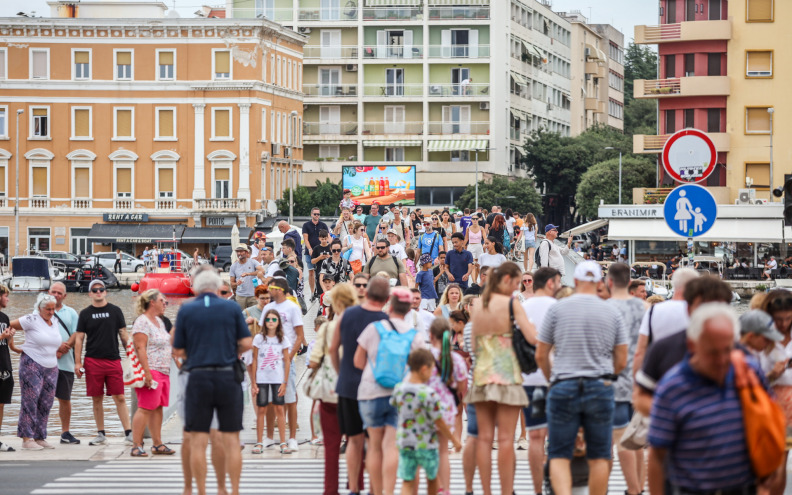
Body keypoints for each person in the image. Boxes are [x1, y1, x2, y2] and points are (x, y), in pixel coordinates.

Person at [648, 304, 764, 495]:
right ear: (692, 345)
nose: (722, 360)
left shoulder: (749, 372)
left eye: (728, 350)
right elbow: (657, 455)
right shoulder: (672, 388)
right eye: (713, 352)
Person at [536, 260, 628, 495]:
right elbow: (621, 359)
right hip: (599, 384)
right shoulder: (612, 311)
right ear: (599, 282)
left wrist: (552, 378)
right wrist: (609, 375)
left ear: (575, 281)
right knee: (599, 455)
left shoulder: (557, 309)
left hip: (563, 384)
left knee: (559, 453)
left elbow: (541, 354)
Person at [173, 269, 252, 495]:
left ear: (195, 287)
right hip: (227, 376)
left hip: (198, 376)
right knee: (231, 439)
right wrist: (228, 350)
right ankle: (231, 490)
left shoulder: (186, 309)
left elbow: (178, 349)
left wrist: (197, 353)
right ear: (218, 287)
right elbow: (247, 343)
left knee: (198, 440)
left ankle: (200, 490)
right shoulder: (231, 308)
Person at [467, 262, 537, 495]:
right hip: (507, 372)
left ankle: (486, 491)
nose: (517, 288)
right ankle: (506, 491)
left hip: (482, 374)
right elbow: (532, 337)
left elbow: (473, 345)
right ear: (507, 280)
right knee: (506, 439)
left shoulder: (479, 305)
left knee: (485, 439)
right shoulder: (511, 303)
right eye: (516, 283)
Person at [353, 287, 425, 495]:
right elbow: (421, 370)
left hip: (370, 391)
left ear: (390, 305)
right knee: (391, 446)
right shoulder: (414, 335)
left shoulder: (374, 328)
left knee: (374, 446)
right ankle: (390, 491)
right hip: (399, 395)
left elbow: (358, 361)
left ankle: (377, 491)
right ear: (409, 309)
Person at [330, 277, 389, 495]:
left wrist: (342, 373)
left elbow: (333, 348)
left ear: (367, 292)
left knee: (353, 441)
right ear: (386, 298)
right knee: (375, 443)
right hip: (376, 388)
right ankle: (374, 489)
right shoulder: (386, 320)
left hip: (349, 386)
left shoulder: (347, 315)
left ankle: (354, 488)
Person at [392, 348, 462, 495]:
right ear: (424, 369)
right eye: (431, 370)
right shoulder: (429, 394)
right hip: (427, 444)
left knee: (407, 481)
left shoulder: (399, 389)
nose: (432, 374)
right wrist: (454, 440)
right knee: (432, 479)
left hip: (406, 443)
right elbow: (439, 421)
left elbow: (394, 404)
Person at [309, 283, 358, 495]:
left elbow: (313, 361)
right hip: (355, 390)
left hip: (330, 391)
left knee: (331, 446)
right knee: (356, 441)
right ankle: (355, 485)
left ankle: (331, 489)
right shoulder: (361, 325)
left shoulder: (328, 328)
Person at [604, 263, 646, 495]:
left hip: (612, 381)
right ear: (630, 282)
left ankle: (606, 487)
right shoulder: (644, 307)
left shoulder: (605, 308)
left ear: (609, 282)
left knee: (609, 442)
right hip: (638, 380)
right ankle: (637, 487)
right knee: (636, 441)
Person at [74, 279, 132, 446]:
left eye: (101, 289)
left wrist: (131, 356)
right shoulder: (85, 313)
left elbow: (124, 335)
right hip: (93, 361)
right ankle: (101, 434)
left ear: (105, 292)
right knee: (97, 398)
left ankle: (128, 433)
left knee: (120, 397)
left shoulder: (115, 311)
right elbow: (79, 339)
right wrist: (78, 363)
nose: (98, 292)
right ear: (90, 294)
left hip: (113, 360)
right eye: (95, 290)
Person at [520, 267, 562, 495]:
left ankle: (538, 489)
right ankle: (555, 484)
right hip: (557, 378)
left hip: (530, 379)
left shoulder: (523, 308)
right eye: (558, 282)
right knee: (558, 435)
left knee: (535, 436)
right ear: (550, 283)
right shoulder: (558, 307)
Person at [7, 294, 61, 450]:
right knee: (30, 400)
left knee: (46, 402)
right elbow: (8, 325)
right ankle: (27, 438)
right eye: (48, 309)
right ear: (39, 308)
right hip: (32, 363)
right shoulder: (31, 319)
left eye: (53, 309)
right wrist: (13, 346)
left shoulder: (55, 321)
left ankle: (39, 436)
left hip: (51, 366)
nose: (51, 312)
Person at [258, 277, 305, 452]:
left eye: (271, 288)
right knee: (271, 400)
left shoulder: (292, 308)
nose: (268, 291)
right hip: (269, 360)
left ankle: (292, 438)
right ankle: (270, 436)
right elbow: (262, 331)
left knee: (289, 399)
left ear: (280, 289)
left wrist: (289, 357)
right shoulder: (268, 308)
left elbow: (299, 335)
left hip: (286, 359)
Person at [129, 289, 174, 457]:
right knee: (145, 408)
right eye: (162, 301)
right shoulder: (142, 322)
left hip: (163, 370)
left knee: (158, 407)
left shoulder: (159, 321)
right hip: (151, 369)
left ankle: (157, 443)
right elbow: (140, 347)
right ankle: (136, 444)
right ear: (152, 302)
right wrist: (146, 372)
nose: (165, 304)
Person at [426, 318, 468, 495]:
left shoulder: (423, 357)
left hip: (425, 408)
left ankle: (432, 489)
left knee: (428, 451)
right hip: (446, 409)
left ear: (430, 335)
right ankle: (444, 490)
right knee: (443, 451)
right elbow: (462, 386)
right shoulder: (455, 359)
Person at [632, 267, 699, 375]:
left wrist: (636, 379)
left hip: (659, 371)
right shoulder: (699, 313)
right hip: (689, 372)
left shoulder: (653, 311)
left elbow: (640, 350)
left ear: (673, 284)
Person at [250, 309, 292, 455]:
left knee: (279, 409)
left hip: (277, 378)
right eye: (268, 319)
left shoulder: (283, 339)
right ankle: (259, 441)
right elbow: (255, 359)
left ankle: (282, 442)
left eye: (274, 319)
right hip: (262, 378)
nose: (271, 322)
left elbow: (287, 361)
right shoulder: (258, 338)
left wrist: (285, 382)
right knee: (261, 409)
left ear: (278, 322)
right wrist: (253, 382)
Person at [47, 282, 80, 445]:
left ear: (64, 296)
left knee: (65, 399)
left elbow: (76, 334)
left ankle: (65, 432)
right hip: (45, 362)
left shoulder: (71, 313)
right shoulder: (39, 311)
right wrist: (54, 349)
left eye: (59, 293)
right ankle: (38, 431)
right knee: (40, 398)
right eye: (53, 292)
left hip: (65, 363)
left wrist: (63, 349)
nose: (56, 295)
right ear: (48, 292)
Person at [303, 207, 330, 296]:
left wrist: (332, 246)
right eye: (315, 214)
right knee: (311, 271)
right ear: (311, 214)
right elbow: (305, 239)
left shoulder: (323, 225)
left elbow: (328, 237)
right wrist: (310, 249)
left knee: (324, 271)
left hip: (322, 250)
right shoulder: (306, 225)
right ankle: (312, 292)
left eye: (318, 214)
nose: (317, 216)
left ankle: (323, 290)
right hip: (310, 251)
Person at [228, 244, 264, 310]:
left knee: (254, 314)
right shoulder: (233, 266)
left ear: (246, 252)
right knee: (241, 314)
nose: (239, 253)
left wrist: (248, 274)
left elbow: (262, 271)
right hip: (240, 296)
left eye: (241, 251)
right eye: (237, 252)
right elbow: (232, 283)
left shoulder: (253, 262)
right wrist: (236, 284)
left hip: (253, 295)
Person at [0, 284, 13, 452]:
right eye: (5, 296)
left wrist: (10, 338)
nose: (7, 299)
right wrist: (1, 335)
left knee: (1, 404)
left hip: (4, 365)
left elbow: (10, 345)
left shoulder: (4, 318)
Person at [310, 230, 333, 300]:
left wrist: (329, 257)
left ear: (327, 238)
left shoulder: (331, 247)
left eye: (325, 239)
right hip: (320, 271)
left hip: (330, 272)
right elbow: (312, 261)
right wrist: (319, 257)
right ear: (319, 238)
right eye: (322, 239)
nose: (324, 241)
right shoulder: (316, 248)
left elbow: (336, 258)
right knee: (321, 293)